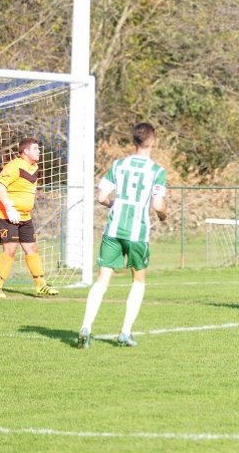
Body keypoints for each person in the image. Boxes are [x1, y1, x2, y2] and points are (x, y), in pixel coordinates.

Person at [77, 123, 168, 348]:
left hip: (113, 230)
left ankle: (86, 326)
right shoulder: (157, 171)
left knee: (102, 281)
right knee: (138, 281)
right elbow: (158, 205)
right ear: (152, 141)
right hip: (137, 233)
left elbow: (101, 197)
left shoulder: (118, 165)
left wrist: (114, 204)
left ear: (134, 141)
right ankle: (125, 332)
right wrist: (164, 215)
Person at [0, 138, 59, 298]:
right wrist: (9, 207)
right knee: (10, 249)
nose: (39, 151)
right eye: (36, 148)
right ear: (25, 151)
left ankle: (41, 285)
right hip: (6, 214)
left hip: (25, 216)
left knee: (32, 249)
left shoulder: (35, 167)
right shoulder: (14, 165)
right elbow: (0, 185)